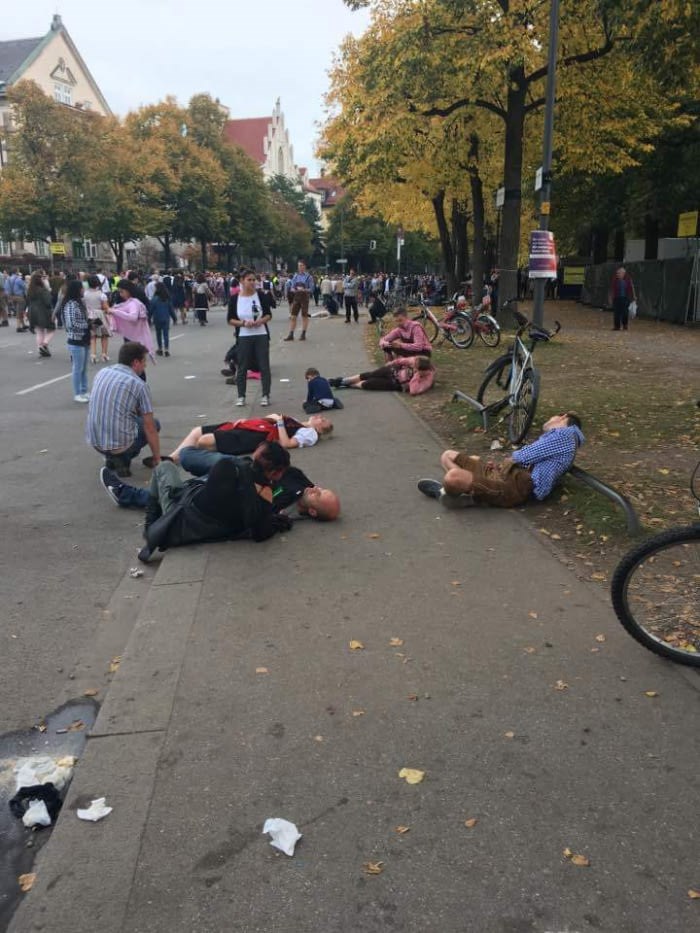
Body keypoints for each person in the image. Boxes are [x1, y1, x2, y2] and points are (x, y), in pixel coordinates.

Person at [100, 440, 341, 523]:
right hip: (245, 466)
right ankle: (184, 460)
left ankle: (126, 494)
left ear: (311, 511)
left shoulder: (282, 510)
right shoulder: (302, 483)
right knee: (187, 455)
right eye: (321, 487)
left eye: (319, 494)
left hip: (235, 481)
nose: (315, 487)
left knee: (184, 488)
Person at [134, 448, 295, 563]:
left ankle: (150, 525)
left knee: (164, 466)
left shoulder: (229, 469)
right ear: (276, 473)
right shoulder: (264, 494)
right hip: (197, 519)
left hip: (178, 520)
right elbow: (261, 531)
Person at [418, 412, 585, 509]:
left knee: (452, 477)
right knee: (447, 455)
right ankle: (468, 495)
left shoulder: (565, 435)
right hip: (508, 474)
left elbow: (523, 456)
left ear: (563, 417)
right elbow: (523, 458)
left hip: (518, 487)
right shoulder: (564, 438)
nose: (549, 420)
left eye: (553, 416)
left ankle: (448, 493)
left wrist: (510, 461)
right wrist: (503, 466)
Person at [86, 341, 161, 477]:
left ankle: (111, 457)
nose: (145, 366)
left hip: (95, 441)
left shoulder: (102, 372)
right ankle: (122, 457)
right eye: (144, 361)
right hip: (121, 443)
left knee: (124, 420)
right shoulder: (139, 385)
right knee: (155, 424)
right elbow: (149, 427)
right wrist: (157, 459)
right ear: (136, 362)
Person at [169, 413, 333, 460]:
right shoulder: (300, 422)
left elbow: (286, 443)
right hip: (253, 427)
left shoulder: (309, 433)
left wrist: (279, 421)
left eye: (323, 420)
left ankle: (186, 458)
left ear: (320, 430)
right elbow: (271, 420)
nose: (320, 417)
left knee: (205, 441)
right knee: (198, 430)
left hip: (255, 436)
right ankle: (172, 459)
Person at [227, 268, 274, 407]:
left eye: (254, 280)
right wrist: (243, 323)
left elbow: (268, 314)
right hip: (244, 335)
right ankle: (241, 396)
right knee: (242, 366)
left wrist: (260, 321)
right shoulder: (235, 298)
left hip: (261, 334)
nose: (252, 282)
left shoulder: (260, 296)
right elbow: (230, 319)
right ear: (242, 281)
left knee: (264, 365)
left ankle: (265, 395)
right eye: (249, 280)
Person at [330, 356, 435, 395]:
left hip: (395, 384)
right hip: (393, 371)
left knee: (369, 384)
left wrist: (416, 376)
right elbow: (401, 361)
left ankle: (348, 385)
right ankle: (342, 381)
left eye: (415, 368)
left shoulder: (427, 379)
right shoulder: (417, 360)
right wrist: (390, 364)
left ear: (422, 371)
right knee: (369, 375)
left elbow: (413, 391)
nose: (413, 366)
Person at [61, 279, 91, 403]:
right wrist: (88, 325)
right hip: (75, 339)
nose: (84, 290)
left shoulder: (79, 302)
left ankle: (84, 390)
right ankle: (77, 393)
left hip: (84, 338)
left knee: (83, 368)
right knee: (77, 368)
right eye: (82, 288)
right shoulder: (71, 304)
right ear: (77, 290)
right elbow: (71, 323)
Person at [109, 279, 154, 358]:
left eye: (122, 292)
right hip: (132, 336)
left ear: (128, 290)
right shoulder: (128, 302)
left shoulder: (134, 303)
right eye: (119, 292)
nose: (120, 294)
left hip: (135, 339)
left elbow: (133, 317)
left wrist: (115, 312)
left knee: (135, 364)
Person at [26, 271, 55, 357]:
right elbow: (48, 302)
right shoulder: (43, 290)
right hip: (43, 311)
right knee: (51, 329)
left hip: (32, 311)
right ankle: (44, 344)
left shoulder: (29, 290)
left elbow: (27, 301)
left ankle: (40, 348)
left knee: (39, 331)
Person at [284, 260, 315, 341]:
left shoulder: (309, 277)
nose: (300, 267)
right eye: (299, 266)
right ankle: (291, 334)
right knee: (293, 316)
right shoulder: (296, 276)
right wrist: (294, 289)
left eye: (301, 265)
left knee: (304, 316)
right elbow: (292, 287)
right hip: (296, 297)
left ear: (304, 266)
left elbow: (312, 289)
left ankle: (303, 334)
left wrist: (304, 289)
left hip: (305, 298)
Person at [84, 274, 111, 363]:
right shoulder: (101, 295)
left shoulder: (85, 294)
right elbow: (105, 307)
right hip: (100, 315)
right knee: (104, 335)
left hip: (89, 315)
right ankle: (104, 355)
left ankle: (93, 355)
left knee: (92, 336)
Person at [150, 282, 177, 356]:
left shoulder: (154, 299)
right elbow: (171, 309)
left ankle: (160, 349)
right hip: (166, 318)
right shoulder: (167, 298)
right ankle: (166, 349)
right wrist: (174, 318)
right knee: (166, 334)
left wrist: (148, 318)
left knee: (158, 334)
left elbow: (151, 310)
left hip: (157, 318)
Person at [608, 266, 636, 331]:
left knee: (625, 313)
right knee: (616, 313)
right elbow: (611, 289)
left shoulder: (628, 279)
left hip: (625, 298)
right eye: (617, 273)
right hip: (616, 298)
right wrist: (610, 298)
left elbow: (632, 287)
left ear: (623, 273)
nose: (617, 274)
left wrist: (634, 296)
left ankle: (625, 325)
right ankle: (617, 326)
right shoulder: (614, 279)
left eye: (619, 273)